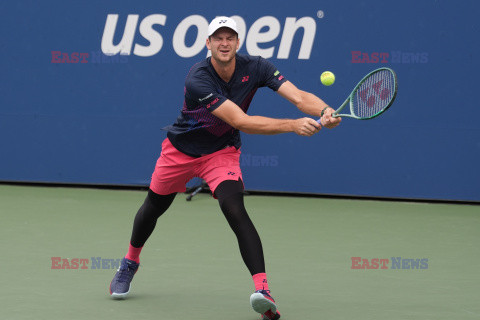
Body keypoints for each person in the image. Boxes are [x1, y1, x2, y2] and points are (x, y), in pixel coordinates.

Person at [109, 16, 341, 320]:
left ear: (238, 43)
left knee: (235, 208)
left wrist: (324, 110)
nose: (224, 43)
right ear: (208, 44)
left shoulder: (257, 67)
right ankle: (130, 261)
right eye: (218, 38)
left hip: (221, 152)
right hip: (181, 151)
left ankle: (263, 291)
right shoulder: (198, 77)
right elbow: (240, 121)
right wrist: (292, 126)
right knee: (154, 206)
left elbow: (298, 97)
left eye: (230, 37)